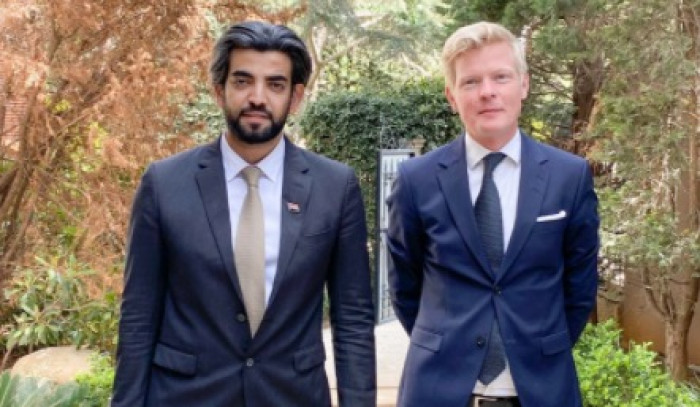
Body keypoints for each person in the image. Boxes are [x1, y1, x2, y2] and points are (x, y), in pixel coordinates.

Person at [112, 21, 376, 407]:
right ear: (219, 91)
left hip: (293, 397)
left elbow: (352, 319)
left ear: (295, 97)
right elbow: (138, 315)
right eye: (242, 81)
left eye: (275, 84)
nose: (257, 97)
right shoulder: (164, 184)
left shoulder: (335, 187)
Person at [386, 21, 598, 407]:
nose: (487, 92)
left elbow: (579, 286)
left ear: (524, 85)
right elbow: (405, 285)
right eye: (470, 81)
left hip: (542, 390)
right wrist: (443, 344)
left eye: (500, 77)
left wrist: (543, 346)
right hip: (438, 390)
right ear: (452, 96)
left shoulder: (570, 176)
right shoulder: (416, 180)